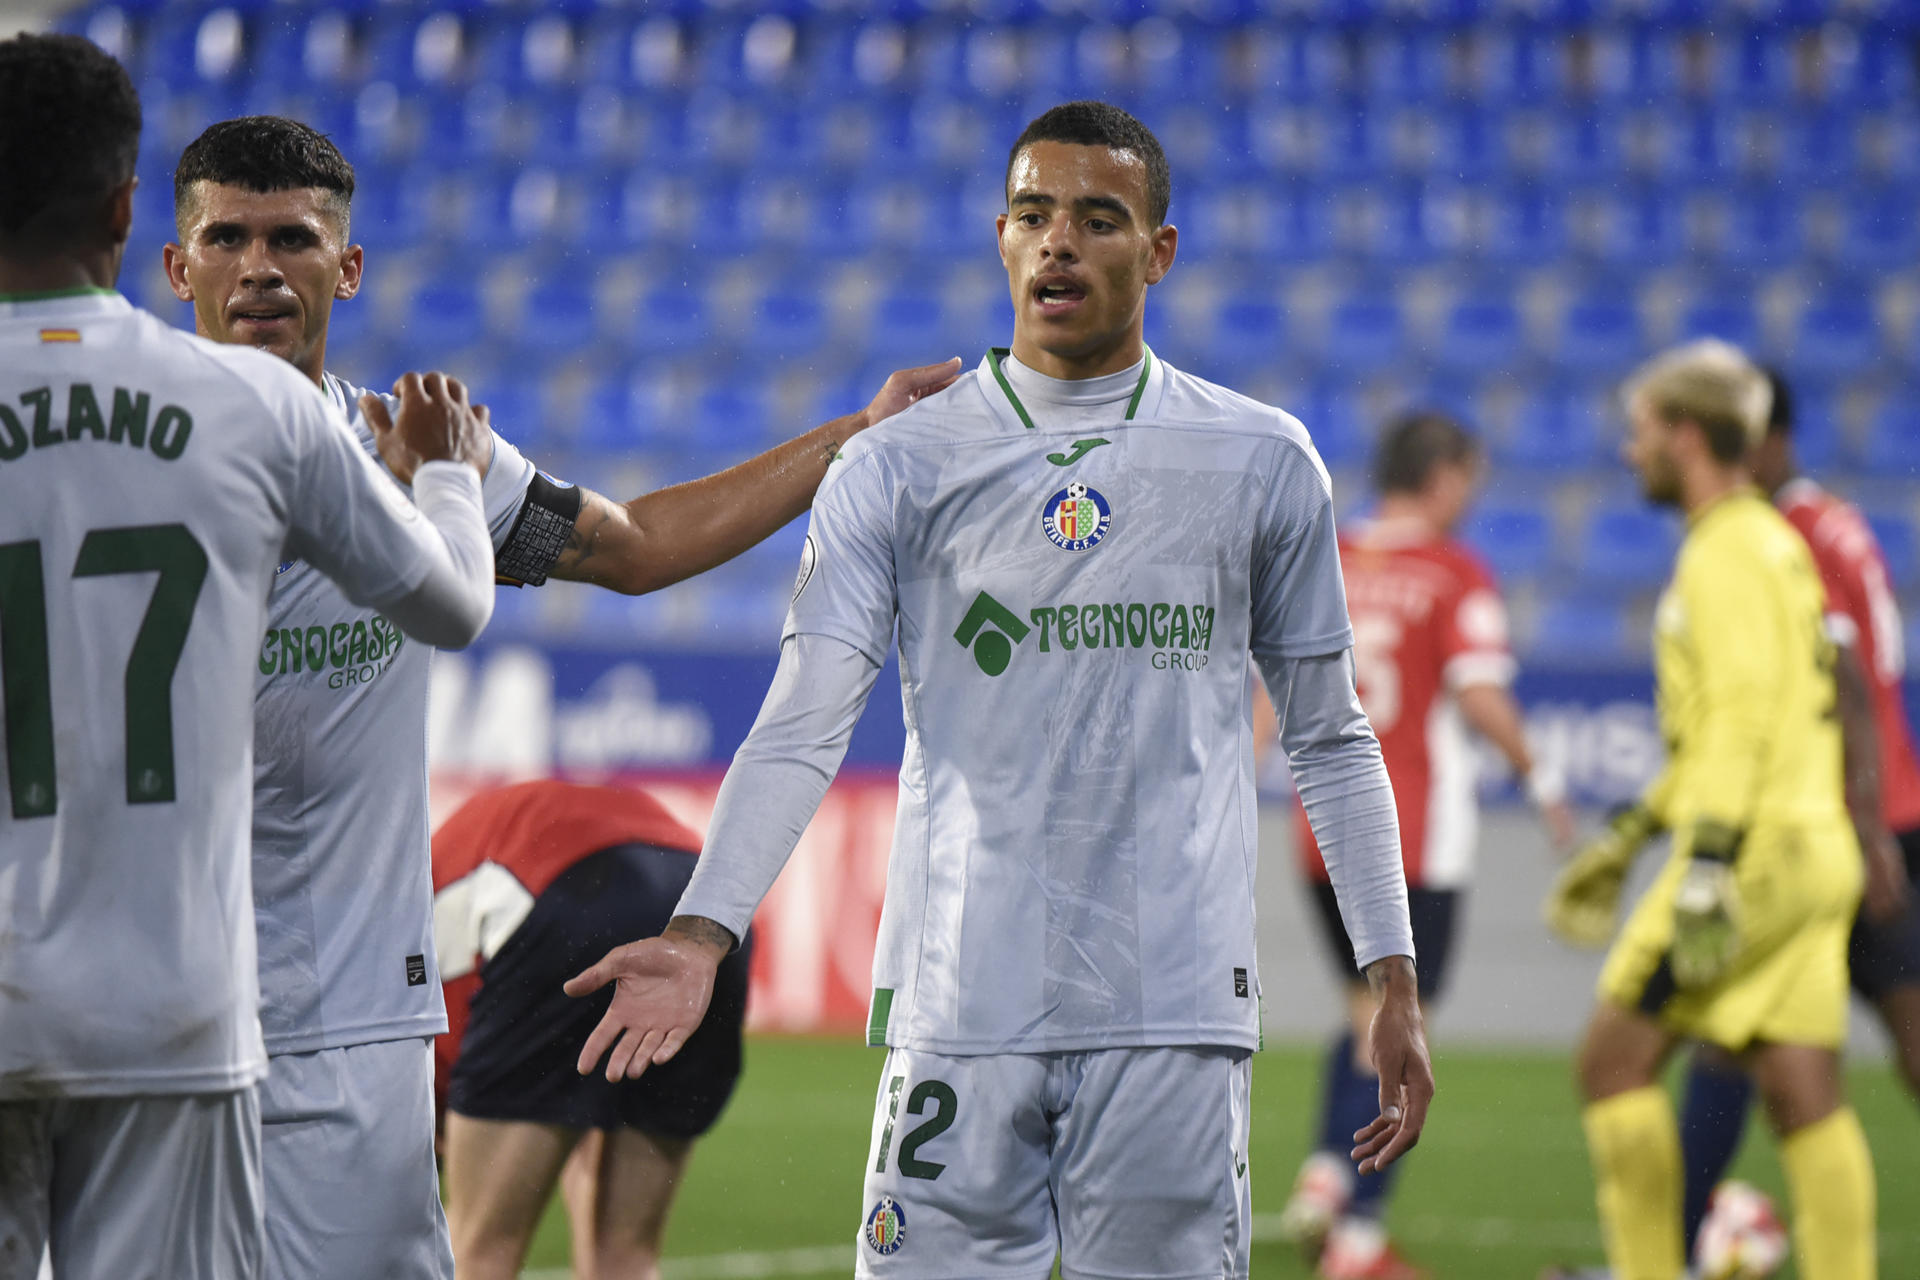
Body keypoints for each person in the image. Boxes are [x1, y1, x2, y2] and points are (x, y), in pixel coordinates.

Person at [565, 100, 1433, 1279]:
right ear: (1002, 235)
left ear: (1159, 252)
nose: (1059, 242)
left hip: (1171, 1011)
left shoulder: (1259, 458)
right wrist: (701, 928)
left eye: (1097, 217)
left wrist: (1392, 972)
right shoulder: (894, 464)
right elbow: (803, 718)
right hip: (959, 1003)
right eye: (1034, 214)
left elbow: (1330, 738)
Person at [161, 115, 958, 1280]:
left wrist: (856, 436)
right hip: (159, 995)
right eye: (226, 237)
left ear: (351, 264)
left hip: (353, 1026)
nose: (261, 268)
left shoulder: (423, 446)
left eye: (294, 236)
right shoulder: (116, 450)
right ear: (177, 265)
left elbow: (633, 546)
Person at [0, 35, 497, 1279]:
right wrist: (442, 476)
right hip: (171, 995)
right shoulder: (259, 407)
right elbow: (451, 602)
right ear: (132, 217)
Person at [1548, 366, 1918, 1277]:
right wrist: (1631, 833)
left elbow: (1742, 717)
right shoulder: (1776, 541)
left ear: (1684, 434)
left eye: (1639, 429)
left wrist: (1705, 859)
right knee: (1803, 1091)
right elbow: (1758, 717)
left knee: (1611, 1066)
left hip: (1750, 855)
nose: (1628, 449)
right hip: (1813, 848)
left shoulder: (1724, 552)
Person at [1276, 412, 1573, 1280]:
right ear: (1442, 475)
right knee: (1404, 1024)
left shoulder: (1328, 557)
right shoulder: (1452, 574)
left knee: (1361, 1013)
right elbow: (1479, 697)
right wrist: (1542, 777)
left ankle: (1330, 1178)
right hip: (1410, 839)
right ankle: (1358, 1233)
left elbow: (1276, 691)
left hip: (1319, 832)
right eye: (1470, 477)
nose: (1473, 495)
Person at [429, 780, 751, 1280]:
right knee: (626, 1257)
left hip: (569, 893)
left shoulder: (408, 917)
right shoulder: (464, 846)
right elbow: (566, 1096)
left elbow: (433, 1078)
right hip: (703, 911)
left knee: (479, 1249)